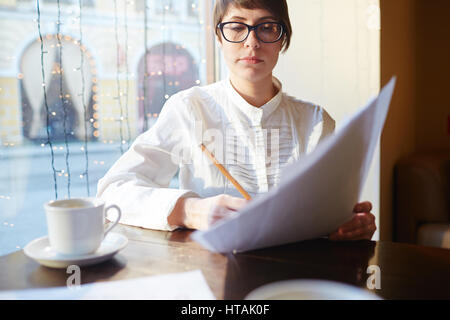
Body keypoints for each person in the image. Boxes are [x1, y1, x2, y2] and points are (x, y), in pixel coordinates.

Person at [97, 0, 377, 241]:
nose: (252, 41)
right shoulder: (189, 109)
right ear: (218, 37)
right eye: (237, 26)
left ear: (283, 38)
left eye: (267, 27)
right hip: (211, 275)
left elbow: (328, 214)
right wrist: (190, 210)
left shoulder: (316, 123)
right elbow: (113, 191)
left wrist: (348, 226)